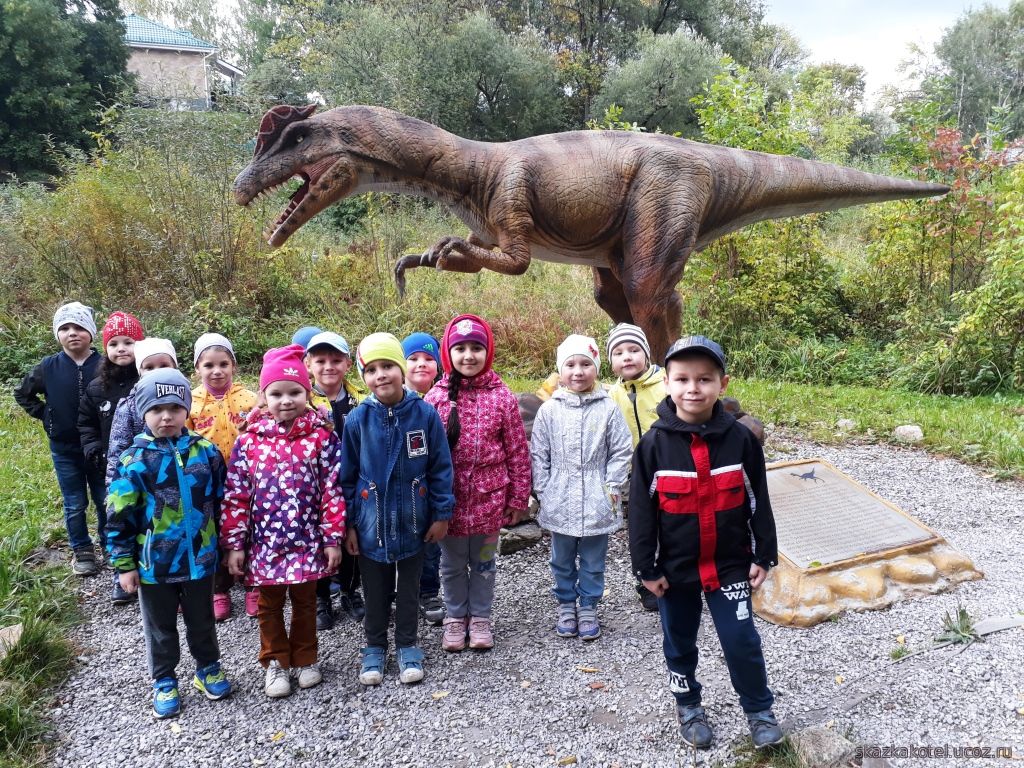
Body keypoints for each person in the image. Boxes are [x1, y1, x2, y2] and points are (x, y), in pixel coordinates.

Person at [628, 335, 783, 750]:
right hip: (676, 571)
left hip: (730, 564)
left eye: (704, 379)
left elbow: (758, 499)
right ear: (667, 383)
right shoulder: (653, 446)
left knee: (742, 640)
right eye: (682, 379)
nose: (692, 388)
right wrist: (646, 568)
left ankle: (759, 710)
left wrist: (764, 553)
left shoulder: (741, 440)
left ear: (723, 383)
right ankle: (688, 705)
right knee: (679, 640)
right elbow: (641, 514)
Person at [105, 369, 232, 719]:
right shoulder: (133, 461)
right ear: (143, 412)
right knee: (160, 628)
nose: (166, 416)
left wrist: (227, 546)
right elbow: (118, 517)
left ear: (186, 410)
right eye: (157, 409)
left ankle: (207, 668)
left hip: (200, 560)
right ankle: (163, 679)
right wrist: (124, 565)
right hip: (154, 567)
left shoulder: (205, 452)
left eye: (175, 407)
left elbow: (223, 501)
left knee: (202, 620)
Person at [220, 344, 345, 699]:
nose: (286, 400)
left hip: (307, 540)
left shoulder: (322, 436)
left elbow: (332, 490)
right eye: (276, 393)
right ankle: (275, 660)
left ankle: (306, 658)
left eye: (295, 392)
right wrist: (234, 545)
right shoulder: (249, 441)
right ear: (264, 396)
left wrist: (332, 537)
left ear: (308, 392)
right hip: (266, 543)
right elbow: (236, 495)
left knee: (306, 602)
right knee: (269, 604)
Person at [340, 333, 454, 685]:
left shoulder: (425, 415)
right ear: (364, 378)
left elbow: (440, 467)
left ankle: (407, 644)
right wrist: (349, 524)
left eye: (388, 365)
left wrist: (441, 513)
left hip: (415, 524)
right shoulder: (357, 420)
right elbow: (347, 476)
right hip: (371, 525)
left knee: (408, 589)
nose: (381, 375)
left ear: (401, 368)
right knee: (375, 592)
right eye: (372, 370)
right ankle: (374, 647)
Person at [424, 314, 531, 652]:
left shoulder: (502, 397)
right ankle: (456, 617)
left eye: (476, 348)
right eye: (460, 349)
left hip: (490, 505)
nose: (468, 356)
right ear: (448, 353)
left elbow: (517, 451)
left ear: (488, 352)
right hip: (449, 506)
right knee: (452, 564)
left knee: (484, 562)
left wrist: (517, 499)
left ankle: (481, 617)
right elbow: (425, 457)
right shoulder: (435, 399)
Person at [530, 334, 632, 641]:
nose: (578, 371)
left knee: (593, 559)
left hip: (598, 498)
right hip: (559, 495)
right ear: (560, 371)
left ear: (596, 368)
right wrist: (544, 489)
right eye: (570, 364)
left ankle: (588, 605)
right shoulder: (549, 411)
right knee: (561, 558)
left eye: (585, 364)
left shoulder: (608, 408)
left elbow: (621, 450)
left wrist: (611, 485)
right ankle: (565, 604)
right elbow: (539, 452)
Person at [14, 302, 103, 576]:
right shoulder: (48, 367)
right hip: (65, 449)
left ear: (90, 331)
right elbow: (22, 394)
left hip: (100, 447)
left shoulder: (104, 364)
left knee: (105, 498)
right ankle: (82, 550)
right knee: (75, 502)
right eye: (65, 328)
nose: (72, 333)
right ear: (57, 334)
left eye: (78, 327)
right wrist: (46, 415)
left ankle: (112, 544)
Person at [187, 333, 258, 621]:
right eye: (209, 365)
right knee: (213, 530)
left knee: (251, 527)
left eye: (223, 364)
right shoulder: (190, 403)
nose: (217, 371)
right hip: (208, 482)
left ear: (234, 366)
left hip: (247, 478)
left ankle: (253, 584)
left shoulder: (249, 399)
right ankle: (219, 589)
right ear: (197, 369)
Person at [78, 311, 145, 603]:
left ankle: (153, 570)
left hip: (148, 465)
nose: (121, 348)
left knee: (148, 516)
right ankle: (121, 573)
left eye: (128, 342)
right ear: (105, 348)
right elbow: (85, 423)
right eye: (114, 343)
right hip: (113, 466)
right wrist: (93, 448)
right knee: (116, 515)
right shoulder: (96, 388)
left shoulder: (147, 382)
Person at [304, 330, 364, 630]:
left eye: (336, 360)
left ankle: (350, 591)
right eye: (321, 360)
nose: (329, 366)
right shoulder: (302, 401)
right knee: (318, 540)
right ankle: (321, 596)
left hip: (352, 481)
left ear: (348, 363)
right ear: (308, 364)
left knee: (352, 537)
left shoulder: (360, 400)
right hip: (314, 486)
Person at [607, 322, 667, 613]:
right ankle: (646, 581)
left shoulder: (666, 384)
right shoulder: (612, 395)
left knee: (674, 525)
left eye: (633, 350)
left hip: (669, 469)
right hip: (634, 475)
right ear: (611, 362)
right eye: (618, 353)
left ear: (647, 354)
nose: (626, 357)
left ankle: (679, 575)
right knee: (641, 529)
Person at [402, 331, 445, 626]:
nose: (421, 364)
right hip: (400, 487)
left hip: (429, 486)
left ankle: (429, 591)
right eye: (413, 358)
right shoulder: (389, 398)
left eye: (429, 358)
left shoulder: (443, 398)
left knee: (431, 544)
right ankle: (398, 594)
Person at [105, 337, 179, 486]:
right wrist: (113, 492)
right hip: (143, 481)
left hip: (180, 477)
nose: (157, 372)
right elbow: (117, 453)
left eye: (164, 365)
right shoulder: (129, 406)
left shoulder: (183, 400)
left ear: (175, 367)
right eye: (149, 368)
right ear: (140, 371)